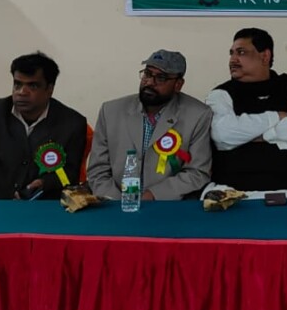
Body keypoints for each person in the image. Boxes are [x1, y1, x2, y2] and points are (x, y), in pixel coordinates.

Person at [206, 28, 287, 192]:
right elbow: (222, 134)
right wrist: (276, 117)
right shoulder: (220, 94)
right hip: (235, 191)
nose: (233, 59)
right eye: (231, 53)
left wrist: (257, 135)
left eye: (241, 52)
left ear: (265, 56)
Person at [87, 50, 213, 201]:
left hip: (167, 205)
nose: (149, 82)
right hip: (114, 204)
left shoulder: (198, 115)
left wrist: (153, 195)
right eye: (147, 74)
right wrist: (120, 202)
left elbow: (197, 172)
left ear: (178, 85)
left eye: (161, 78)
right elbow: (98, 169)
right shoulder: (110, 111)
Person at [0, 52, 87, 199]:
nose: (22, 92)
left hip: (42, 205)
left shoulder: (72, 123)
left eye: (32, 86)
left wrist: (46, 183)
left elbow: (70, 174)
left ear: (50, 89)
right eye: (17, 84)